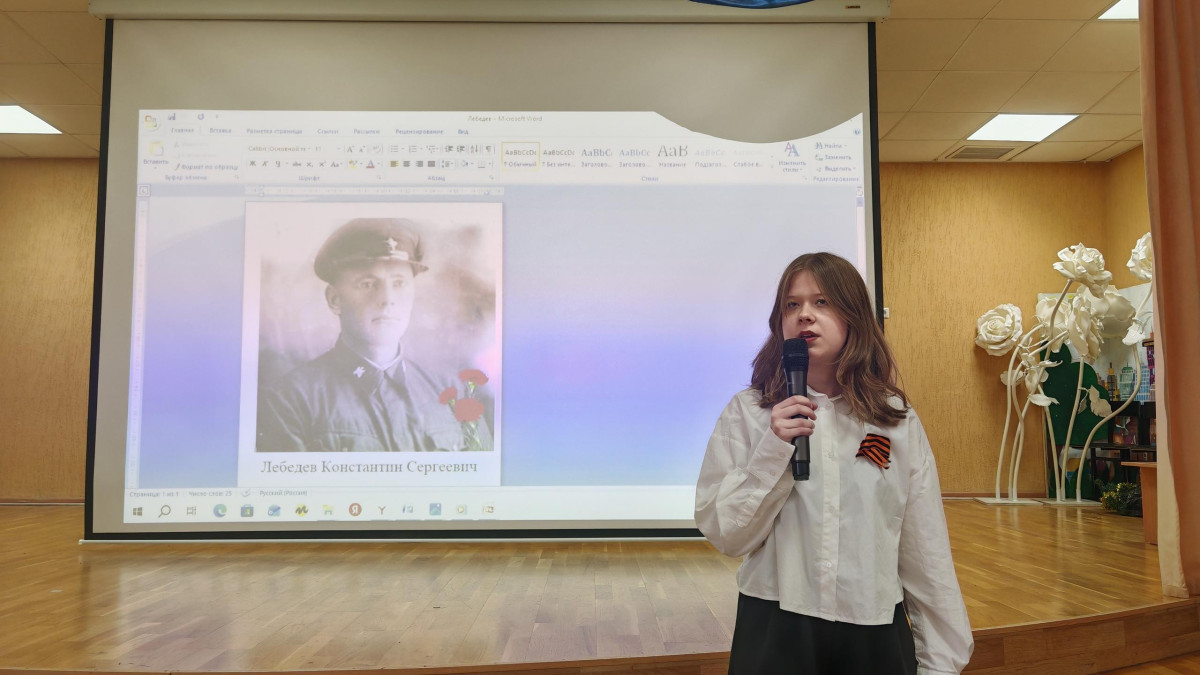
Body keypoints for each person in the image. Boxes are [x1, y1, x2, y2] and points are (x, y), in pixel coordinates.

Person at [694, 252, 973, 675]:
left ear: (853, 315)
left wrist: (941, 662)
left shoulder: (895, 419)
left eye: (821, 302)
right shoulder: (749, 412)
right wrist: (774, 449)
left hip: (873, 628)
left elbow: (925, 548)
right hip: (774, 625)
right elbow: (726, 533)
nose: (804, 315)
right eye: (792, 304)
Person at [256, 217, 492, 453]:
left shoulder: (451, 393)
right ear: (335, 300)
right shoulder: (289, 401)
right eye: (368, 284)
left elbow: (483, 472)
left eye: (399, 283)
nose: (387, 299)